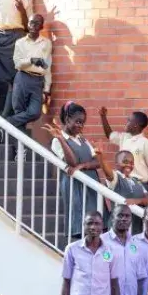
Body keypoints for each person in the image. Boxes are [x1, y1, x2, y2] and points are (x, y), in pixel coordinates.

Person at [45, 102, 102, 241]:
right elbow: (71, 162)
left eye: (82, 123)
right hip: (74, 185)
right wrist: (61, 139)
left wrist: (83, 166)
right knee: (81, 223)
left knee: (96, 222)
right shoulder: (57, 141)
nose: (80, 126)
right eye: (77, 122)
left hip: (91, 184)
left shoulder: (83, 139)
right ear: (67, 119)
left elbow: (97, 162)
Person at [6, 13, 50, 135]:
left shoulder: (46, 43)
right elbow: (17, 64)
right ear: (28, 24)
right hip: (23, 77)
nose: (33, 25)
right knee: (19, 112)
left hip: (38, 80)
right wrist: (31, 60)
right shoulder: (20, 42)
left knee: (35, 112)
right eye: (31, 22)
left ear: (41, 26)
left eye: (37, 23)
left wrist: (47, 88)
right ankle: (20, 149)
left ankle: (6, 123)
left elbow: (47, 66)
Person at [100, 107, 148, 187]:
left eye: (129, 121)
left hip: (139, 184)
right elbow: (109, 135)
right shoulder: (124, 137)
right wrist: (103, 117)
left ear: (136, 125)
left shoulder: (146, 143)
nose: (126, 123)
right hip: (124, 182)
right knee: (104, 187)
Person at [98, 149, 148, 233]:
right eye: (125, 162)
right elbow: (108, 173)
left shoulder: (136, 180)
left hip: (136, 225)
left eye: (131, 163)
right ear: (116, 164)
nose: (129, 165)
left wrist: (136, 201)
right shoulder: (116, 178)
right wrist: (101, 158)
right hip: (119, 226)